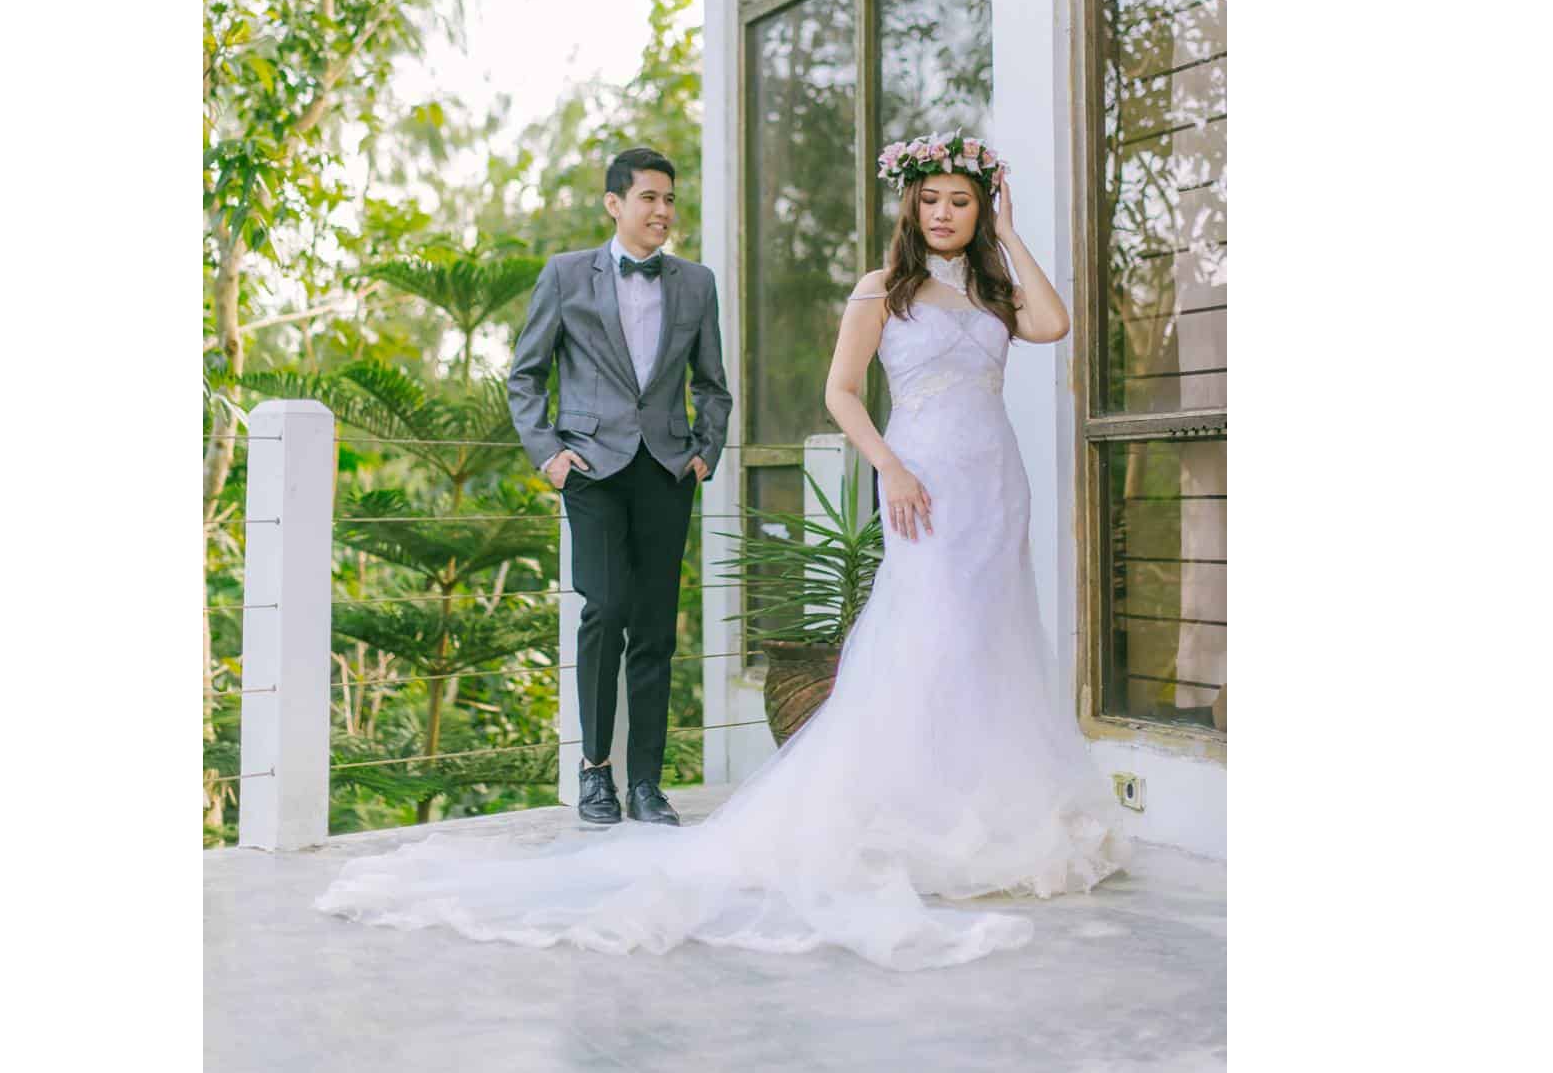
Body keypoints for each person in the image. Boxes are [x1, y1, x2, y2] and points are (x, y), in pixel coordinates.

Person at [314, 131, 1128, 971]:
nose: (945, 214)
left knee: (990, 636)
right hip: (916, 481)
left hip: (994, 481)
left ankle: (977, 804)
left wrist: (1009, 230)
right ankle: (851, 801)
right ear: (910, 208)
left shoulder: (995, 292)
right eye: (932, 201)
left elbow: (1054, 323)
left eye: (961, 202)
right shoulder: (882, 288)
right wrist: (890, 466)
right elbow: (840, 392)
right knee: (923, 632)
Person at [507, 146, 730, 827]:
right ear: (615, 204)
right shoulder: (566, 274)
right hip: (591, 469)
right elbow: (525, 375)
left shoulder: (696, 283)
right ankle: (595, 770)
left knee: (656, 627)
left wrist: (705, 451)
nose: (662, 211)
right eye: (649, 198)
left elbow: (712, 383)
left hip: (666, 469)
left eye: (669, 199)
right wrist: (549, 455)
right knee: (605, 610)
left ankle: (647, 784)